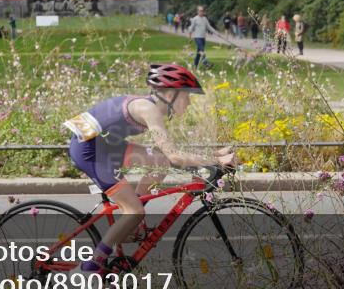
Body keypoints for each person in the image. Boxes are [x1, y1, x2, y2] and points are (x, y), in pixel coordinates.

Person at [64, 64, 238, 273]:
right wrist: (217, 162)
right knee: (135, 211)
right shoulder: (148, 109)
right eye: (187, 96)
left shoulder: (150, 106)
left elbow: (168, 152)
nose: (189, 102)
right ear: (171, 94)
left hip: (105, 145)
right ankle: (89, 267)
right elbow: (175, 155)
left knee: (160, 162)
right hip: (89, 150)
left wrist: (214, 156)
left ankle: (132, 225)